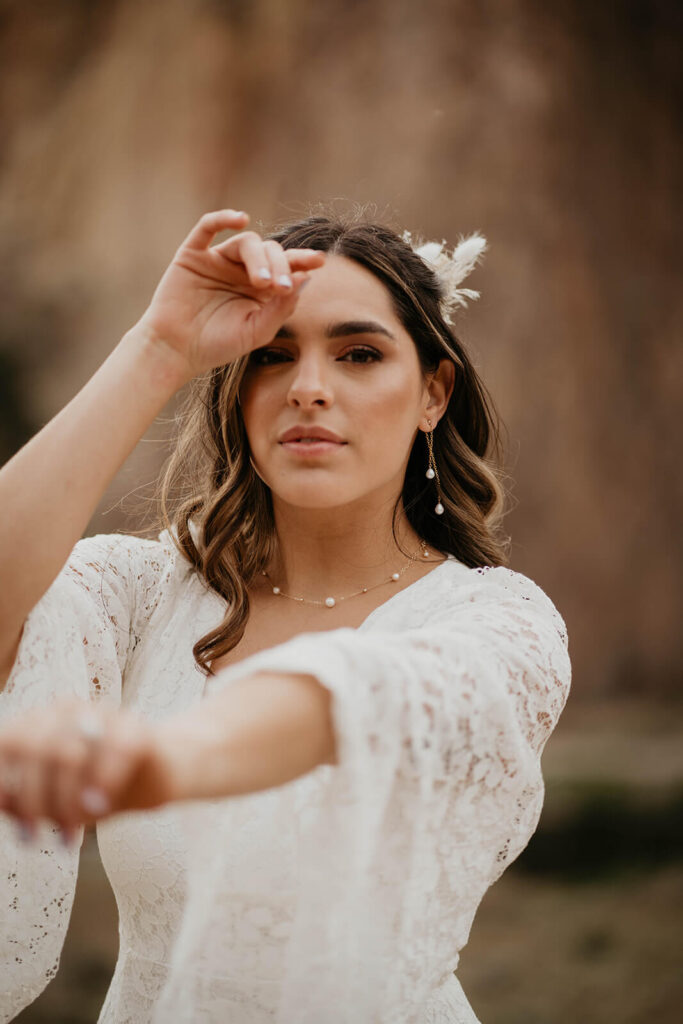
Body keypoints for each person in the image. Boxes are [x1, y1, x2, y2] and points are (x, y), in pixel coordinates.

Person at [0, 208, 571, 1024]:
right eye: (272, 357)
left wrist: (161, 762)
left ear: (433, 393)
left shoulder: (498, 626)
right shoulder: (146, 591)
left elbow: (357, 696)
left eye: (359, 354)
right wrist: (158, 349)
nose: (308, 386)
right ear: (239, 392)